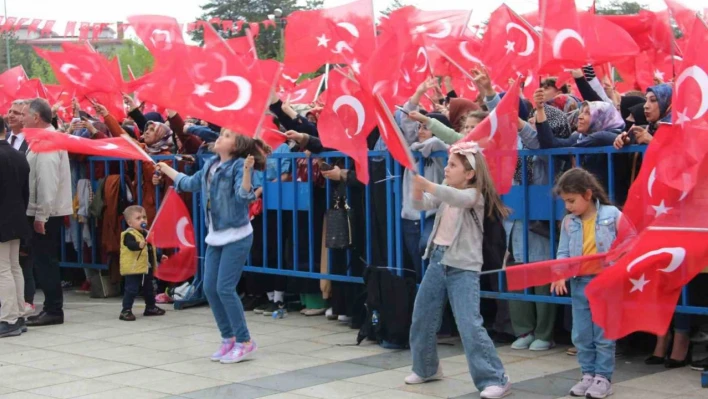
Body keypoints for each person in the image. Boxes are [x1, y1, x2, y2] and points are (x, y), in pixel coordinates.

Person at [405, 141, 511, 399]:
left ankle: (495, 378)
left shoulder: (474, 196)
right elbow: (420, 205)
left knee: (469, 324)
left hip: (463, 266)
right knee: (422, 316)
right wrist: (417, 190)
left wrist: (427, 185)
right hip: (437, 260)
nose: (447, 169)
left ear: (470, 173)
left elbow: (453, 196)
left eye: (452, 165)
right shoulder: (448, 192)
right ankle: (426, 368)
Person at [156, 130, 267, 364]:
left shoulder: (238, 166)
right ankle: (228, 337)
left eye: (226, 136)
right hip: (215, 236)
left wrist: (247, 171)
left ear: (236, 146)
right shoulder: (210, 164)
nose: (220, 137)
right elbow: (187, 183)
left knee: (225, 288)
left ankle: (245, 341)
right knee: (209, 288)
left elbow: (244, 197)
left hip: (237, 235)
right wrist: (164, 167)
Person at [550, 168, 625, 398]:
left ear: (588, 194)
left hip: (605, 282)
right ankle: (587, 374)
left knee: (603, 332)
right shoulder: (568, 222)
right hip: (579, 283)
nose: (568, 206)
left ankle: (603, 377)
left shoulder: (613, 215)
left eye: (571, 200)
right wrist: (560, 274)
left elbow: (630, 242)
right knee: (581, 333)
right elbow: (563, 252)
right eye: (565, 201)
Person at [23, 98, 72, 327]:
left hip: (47, 212)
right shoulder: (43, 139)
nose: (22, 119)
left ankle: (53, 309)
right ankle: (51, 308)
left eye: (25, 115)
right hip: (45, 210)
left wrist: (41, 215)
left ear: (35, 117)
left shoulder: (48, 141)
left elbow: (47, 182)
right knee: (43, 260)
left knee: (46, 262)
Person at [0, 124, 32, 337]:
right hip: (17, 216)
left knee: (3, 270)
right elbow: (25, 192)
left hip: (2, 218)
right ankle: (18, 314)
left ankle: (9, 318)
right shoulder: (19, 155)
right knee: (13, 267)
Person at [119, 205, 167, 321]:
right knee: (131, 289)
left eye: (144, 217)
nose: (143, 220)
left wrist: (160, 257)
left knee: (149, 289)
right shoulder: (128, 234)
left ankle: (150, 307)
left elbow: (151, 249)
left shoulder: (146, 233)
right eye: (138, 218)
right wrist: (138, 245)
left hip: (146, 267)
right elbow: (130, 245)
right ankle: (126, 310)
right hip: (133, 268)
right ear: (130, 223)